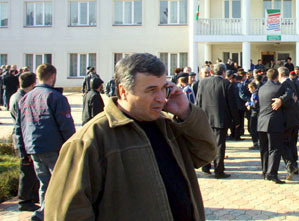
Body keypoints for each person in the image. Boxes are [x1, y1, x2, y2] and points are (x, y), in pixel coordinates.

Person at [44, 53, 217, 220]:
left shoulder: (168, 125)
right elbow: (68, 212)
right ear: (123, 91)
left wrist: (185, 112)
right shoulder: (90, 140)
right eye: (151, 90)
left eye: (164, 89)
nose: (161, 98)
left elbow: (205, 155)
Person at [15, 64, 76, 221]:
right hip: (53, 147)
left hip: (34, 147)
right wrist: (73, 148)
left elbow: (19, 127)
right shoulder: (55, 97)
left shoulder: (25, 98)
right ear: (52, 76)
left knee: (45, 184)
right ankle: (47, 215)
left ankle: (45, 215)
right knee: (61, 183)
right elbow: (66, 126)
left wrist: (23, 150)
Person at [196, 63, 240, 178]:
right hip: (221, 120)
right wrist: (236, 120)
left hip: (205, 119)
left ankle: (205, 166)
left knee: (207, 143)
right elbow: (232, 104)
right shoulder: (226, 84)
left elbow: (198, 101)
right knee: (219, 145)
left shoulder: (203, 82)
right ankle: (219, 170)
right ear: (224, 72)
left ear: (212, 72)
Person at [9, 72, 40, 212]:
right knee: (26, 172)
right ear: (33, 84)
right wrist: (23, 148)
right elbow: (20, 125)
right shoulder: (22, 98)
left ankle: (31, 197)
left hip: (24, 139)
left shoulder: (17, 96)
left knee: (30, 171)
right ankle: (24, 200)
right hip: (23, 139)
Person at [257, 69, 288, 184]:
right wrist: (282, 99)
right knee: (275, 148)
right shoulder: (279, 88)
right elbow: (289, 93)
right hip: (274, 122)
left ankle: (265, 171)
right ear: (277, 77)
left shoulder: (261, 88)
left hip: (261, 122)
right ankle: (272, 173)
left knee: (264, 149)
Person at [278, 67, 299, 180]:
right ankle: (295, 165)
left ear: (280, 74)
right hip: (295, 118)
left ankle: (291, 165)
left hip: (288, 119)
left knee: (286, 143)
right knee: (292, 143)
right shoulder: (293, 82)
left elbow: (289, 101)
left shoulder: (284, 85)